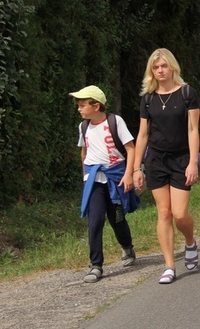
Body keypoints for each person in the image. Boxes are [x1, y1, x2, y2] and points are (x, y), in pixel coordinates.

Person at [132, 48, 200, 284]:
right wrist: (136, 168)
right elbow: (142, 135)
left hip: (181, 158)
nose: (160, 70)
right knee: (164, 212)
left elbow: (193, 129)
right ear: (152, 70)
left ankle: (190, 241)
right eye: (156, 67)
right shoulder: (148, 98)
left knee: (180, 214)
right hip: (156, 160)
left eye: (164, 66)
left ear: (172, 67)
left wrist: (193, 162)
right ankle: (169, 265)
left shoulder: (187, 93)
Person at [71, 85, 138, 283]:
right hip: (94, 180)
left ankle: (127, 247)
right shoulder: (83, 127)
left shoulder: (115, 121)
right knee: (95, 220)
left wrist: (129, 175)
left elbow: (131, 149)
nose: (79, 109)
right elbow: (84, 152)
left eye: (83, 105)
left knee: (117, 218)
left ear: (96, 105)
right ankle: (96, 265)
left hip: (115, 177)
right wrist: (85, 177)